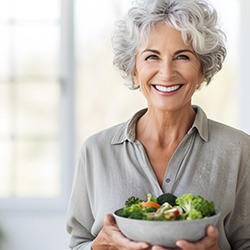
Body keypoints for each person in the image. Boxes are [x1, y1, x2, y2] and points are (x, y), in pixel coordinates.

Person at [66, 0, 250, 249]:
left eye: (182, 56)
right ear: (134, 70)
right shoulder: (96, 151)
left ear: (202, 70)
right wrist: (98, 246)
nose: (166, 72)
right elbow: (78, 243)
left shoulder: (238, 149)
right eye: (152, 56)